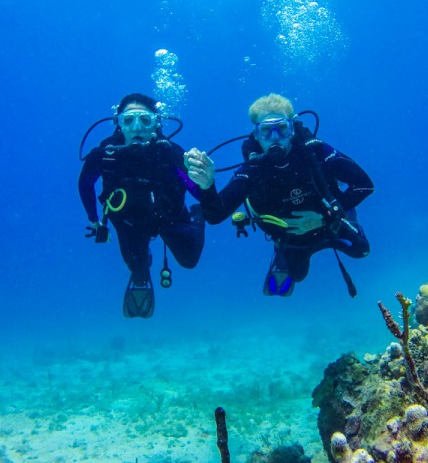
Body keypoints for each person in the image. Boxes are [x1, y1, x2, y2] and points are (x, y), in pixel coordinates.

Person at [184, 93, 372, 297]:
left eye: (281, 128)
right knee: (298, 275)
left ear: (292, 129)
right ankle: (282, 255)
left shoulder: (316, 152)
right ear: (256, 135)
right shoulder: (252, 170)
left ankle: (344, 219)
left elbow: (364, 185)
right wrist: (207, 186)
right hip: (290, 236)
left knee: (361, 249)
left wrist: (325, 217)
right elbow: (214, 215)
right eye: (266, 130)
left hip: (329, 222)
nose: (275, 137)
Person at [79, 93, 205, 318]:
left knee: (189, 261)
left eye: (145, 120)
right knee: (137, 268)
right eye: (128, 120)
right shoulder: (106, 155)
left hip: (170, 218)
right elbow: (85, 184)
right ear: (119, 125)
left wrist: (202, 184)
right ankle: (141, 265)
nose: (137, 127)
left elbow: (193, 187)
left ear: (156, 124)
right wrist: (94, 220)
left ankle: (198, 218)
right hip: (128, 222)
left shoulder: (170, 154)